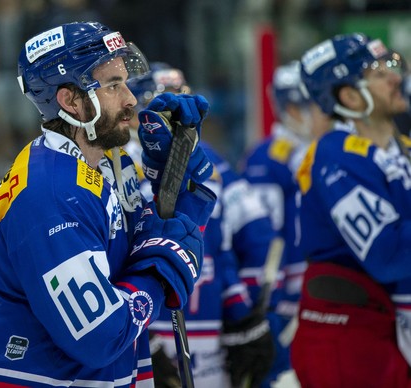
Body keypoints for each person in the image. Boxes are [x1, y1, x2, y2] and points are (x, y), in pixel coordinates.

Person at [0, 21, 217, 387]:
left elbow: (149, 245)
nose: (130, 98)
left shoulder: (112, 164)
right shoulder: (50, 194)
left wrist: (172, 188)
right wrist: (160, 276)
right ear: (70, 101)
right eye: (112, 85)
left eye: (124, 82)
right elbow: (99, 335)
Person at [127, 63, 275, 388]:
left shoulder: (207, 159)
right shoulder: (120, 166)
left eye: (182, 96)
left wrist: (243, 315)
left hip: (205, 326)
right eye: (162, 100)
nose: (176, 108)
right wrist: (139, 336)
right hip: (150, 321)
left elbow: (233, 246)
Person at [292, 33, 411, 387]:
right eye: (378, 73)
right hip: (353, 345)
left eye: (391, 65)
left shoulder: (400, 148)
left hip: (385, 332)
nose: (395, 77)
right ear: (349, 96)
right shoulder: (335, 156)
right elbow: (387, 255)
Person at [241, 60, 332, 386]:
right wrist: (272, 296)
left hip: (316, 288)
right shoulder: (268, 157)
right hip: (284, 296)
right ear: (290, 106)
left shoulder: (320, 150)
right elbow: (264, 237)